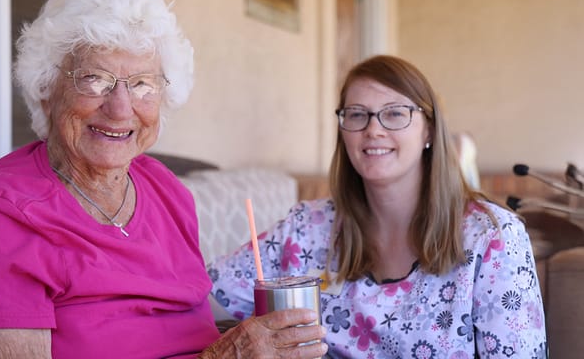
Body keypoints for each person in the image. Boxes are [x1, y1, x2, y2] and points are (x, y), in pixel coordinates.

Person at [0, 0, 326, 359]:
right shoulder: (0, 213)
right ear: (46, 91)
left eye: (142, 84)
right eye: (94, 79)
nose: (121, 108)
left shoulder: (167, 191)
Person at [208, 55, 548, 358]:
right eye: (356, 115)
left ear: (429, 130)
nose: (373, 129)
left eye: (395, 114)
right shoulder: (304, 228)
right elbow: (202, 298)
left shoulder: (494, 238)